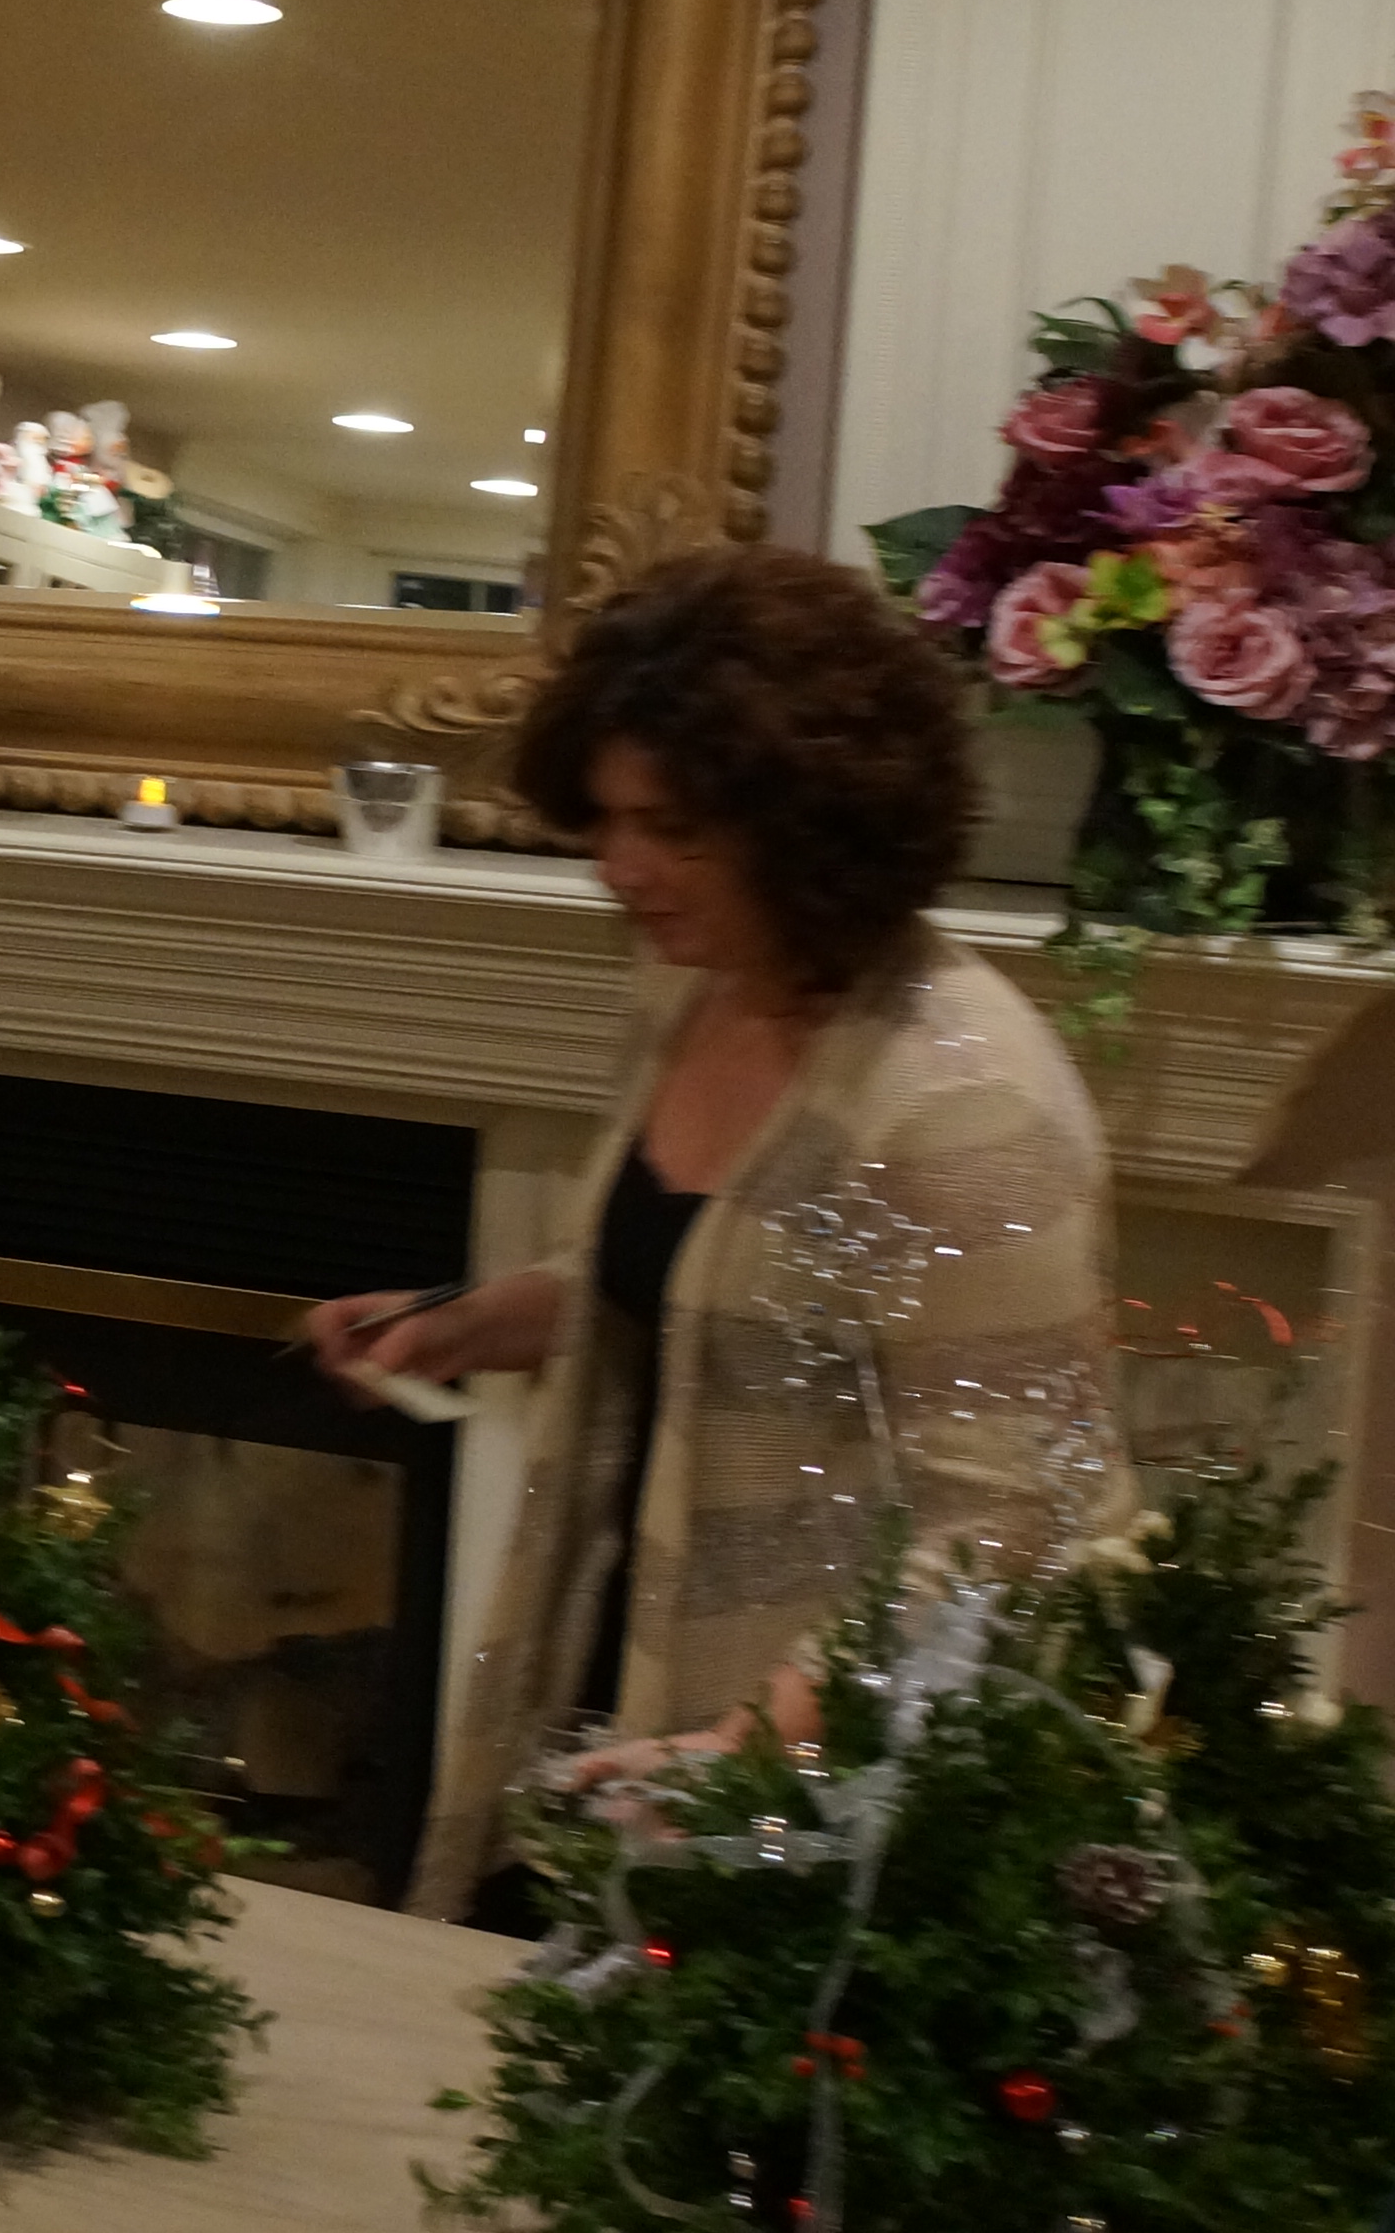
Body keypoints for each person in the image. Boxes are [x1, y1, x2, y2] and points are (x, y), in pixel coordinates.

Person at [302, 544, 1121, 1925]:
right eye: (608, 821)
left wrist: (765, 1747)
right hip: (612, 1692)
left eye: (674, 830)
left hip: (802, 1798)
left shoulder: (963, 1101)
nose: (622, 869)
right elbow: (698, 1285)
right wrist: (465, 1324)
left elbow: (1011, 1530)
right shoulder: (701, 988)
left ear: (814, 819)